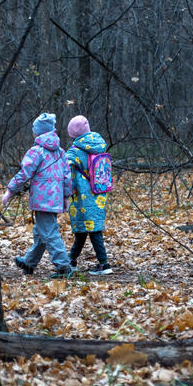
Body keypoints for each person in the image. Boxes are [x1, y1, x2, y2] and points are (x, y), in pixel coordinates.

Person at [1, 113, 74, 278]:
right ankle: (29, 262)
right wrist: (65, 197)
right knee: (42, 231)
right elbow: (67, 176)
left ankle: (64, 267)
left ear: (38, 132)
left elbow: (24, 174)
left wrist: (10, 190)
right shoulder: (61, 152)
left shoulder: (36, 151)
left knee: (49, 232)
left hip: (42, 200)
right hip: (54, 198)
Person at [65, 115, 112, 275]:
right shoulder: (99, 144)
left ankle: (104, 265)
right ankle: (71, 260)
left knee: (91, 230)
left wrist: (66, 194)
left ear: (73, 134)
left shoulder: (73, 153)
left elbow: (66, 175)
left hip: (81, 198)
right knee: (85, 229)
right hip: (99, 194)